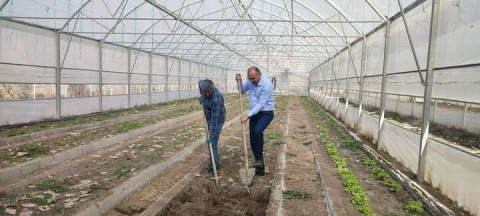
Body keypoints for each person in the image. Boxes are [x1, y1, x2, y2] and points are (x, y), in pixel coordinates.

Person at [235, 66, 275, 176]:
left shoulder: (267, 85)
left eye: (253, 78)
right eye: (249, 78)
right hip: (254, 113)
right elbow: (242, 91)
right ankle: (258, 162)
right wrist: (240, 81)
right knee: (253, 137)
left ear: (259, 74)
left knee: (257, 131)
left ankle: (259, 161)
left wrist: (248, 115)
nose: (251, 81)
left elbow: (261, 105)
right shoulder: (250, 81)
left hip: (265, 113)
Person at [198, 79, 226, 173]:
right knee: (210, 143)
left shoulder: (216, 98)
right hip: (209, 117)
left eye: (208, 92)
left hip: (217, 120)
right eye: (204, 92)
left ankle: (215, 164)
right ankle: (214, 161)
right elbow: (200, 82)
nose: (207, 94)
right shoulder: (203, 87)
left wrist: (211, 135)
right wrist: (201, 97)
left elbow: (214, 120)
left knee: (212, 143)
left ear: (212, 89)